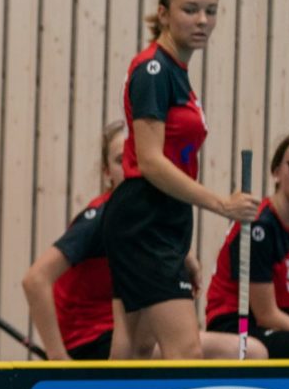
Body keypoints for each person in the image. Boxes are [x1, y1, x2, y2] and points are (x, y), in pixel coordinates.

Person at [100, 0, 259, 360]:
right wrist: (222, 204)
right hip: (144, 217)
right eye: (190, 10)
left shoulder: (176, 71)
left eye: (211, 11)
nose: (202, 20)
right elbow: (151, 163)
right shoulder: (154, 70)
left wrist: (181, 248)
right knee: (185, 352)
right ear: (164, 13)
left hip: (162, 217)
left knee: (135, 348)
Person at [22, 121, 265, 360]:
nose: (130, 166)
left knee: (244, 350)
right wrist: (58, 357)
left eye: (137, 157)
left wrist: (184, 256)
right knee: (230, 352)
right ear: (106, 172)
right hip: (92, 341)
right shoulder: (100, 218)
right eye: (121, 160)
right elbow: (35, 279)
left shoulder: (147, 220)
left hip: (126, 327)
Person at [205, 131, 289, 358]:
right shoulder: (259, 226)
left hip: (280, 325)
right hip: (237, 324)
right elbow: (266, 315)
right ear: (276, 173)